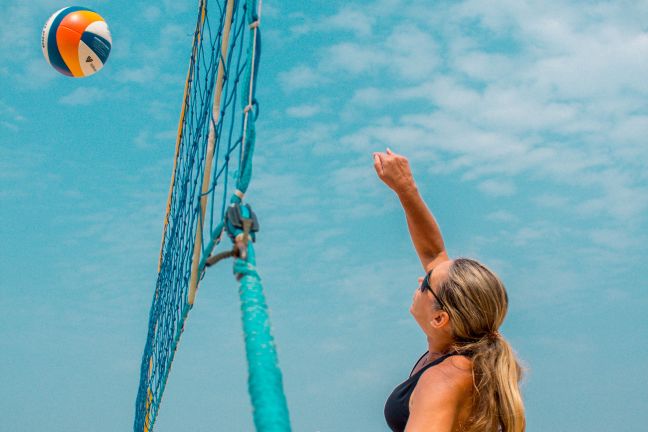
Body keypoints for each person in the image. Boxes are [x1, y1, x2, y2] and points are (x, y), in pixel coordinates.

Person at [373, 149, 526, 432]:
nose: (420, 280)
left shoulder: (445, 378)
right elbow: (434, 252)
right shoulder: (454, 356)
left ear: (440, 318)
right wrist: (405, 189)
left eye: (427, 284)